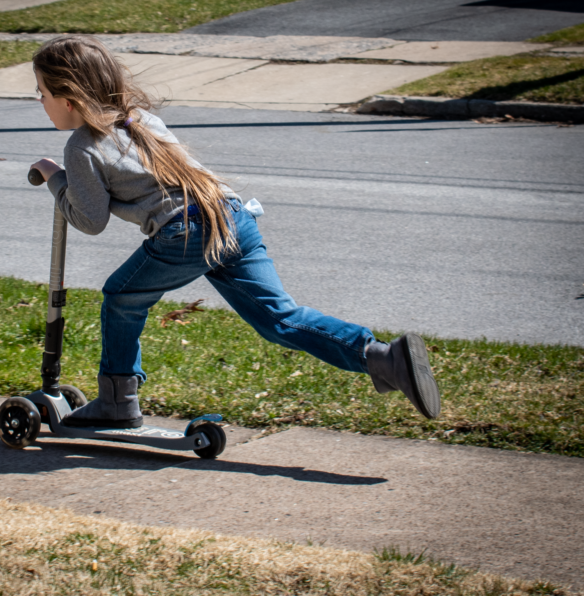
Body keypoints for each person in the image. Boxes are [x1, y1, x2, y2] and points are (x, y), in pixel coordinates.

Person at [29, 35, 441, 429]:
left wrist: (55, 178)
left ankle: (118, 403)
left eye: (42, 93)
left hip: (185, 234)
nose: (40, 102)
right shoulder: (142, 119)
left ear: (68, 99)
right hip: (232, 215)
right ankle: (384, 358)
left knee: (122, 297)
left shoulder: (81, 147)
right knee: (279, 318)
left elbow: (89, 220)